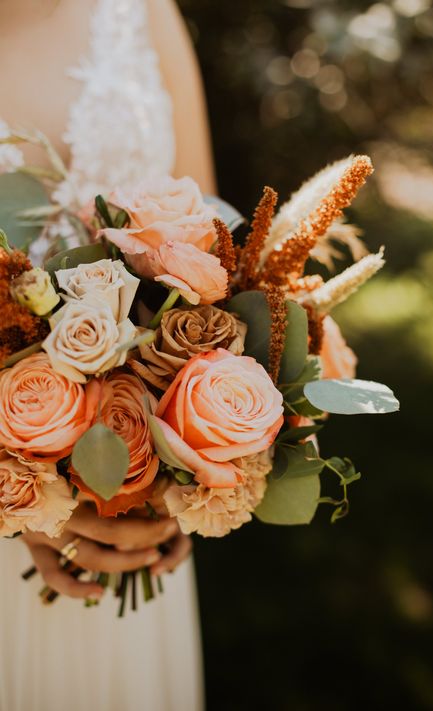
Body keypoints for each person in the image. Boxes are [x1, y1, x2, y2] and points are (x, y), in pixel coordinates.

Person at [0, 1, 216, 709]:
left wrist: (191, 465)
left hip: (131, 519)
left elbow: (210, 258)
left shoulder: (142, 11)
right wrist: (27, 501)